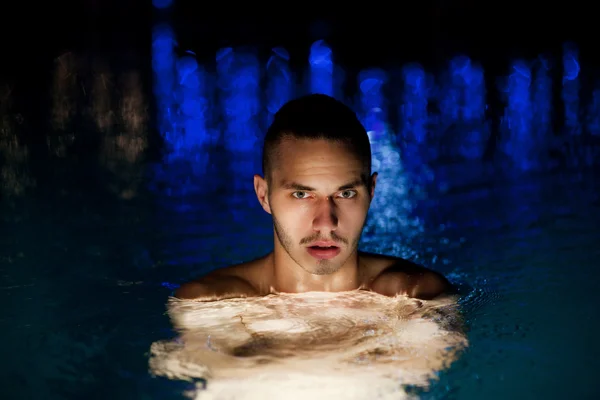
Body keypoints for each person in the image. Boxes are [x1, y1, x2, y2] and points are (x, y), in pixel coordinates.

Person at [176, 94, 453, 301]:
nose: (326, 223)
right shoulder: (209, 302)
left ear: (371, 192)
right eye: (301, 194)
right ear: (263, 195)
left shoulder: (417, 296)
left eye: (345, 193)